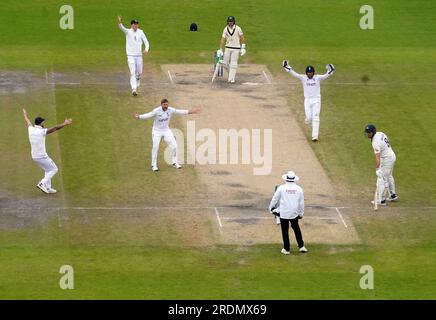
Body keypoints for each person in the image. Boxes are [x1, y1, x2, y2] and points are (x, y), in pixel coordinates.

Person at [133, 99, 202, 172]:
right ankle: (154, 165)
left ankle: (175, 162)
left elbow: (180, 111)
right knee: (155, 147)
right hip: (156, 131)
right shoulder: (156, 111)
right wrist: (139, 117)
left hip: (166, 130)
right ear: (161, 104)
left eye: (167, 104)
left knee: (175, 146)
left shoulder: (170, 110)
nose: (166, 106)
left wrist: (193, 111)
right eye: (164, 105)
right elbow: (148, 115)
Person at [282, 60, 335, 142]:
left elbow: (326, 75)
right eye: (308, 72)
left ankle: (315, 136)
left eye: (311, 72)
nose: (309, 74)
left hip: (316, 100)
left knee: (316, 117)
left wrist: (330, 69)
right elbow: (294, 74)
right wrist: (286, 66)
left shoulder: (317, 78)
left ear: (313, 72)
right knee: (309, 118)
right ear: (306, 73)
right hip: (307, 100)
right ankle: (308, 119)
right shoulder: (303, 78)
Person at [22, 108, 73, 194]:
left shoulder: (30, 129)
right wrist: (65, 123)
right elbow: (55, 128)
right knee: (54, 169)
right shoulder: (41, 131)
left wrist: (25, 114)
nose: (44, 123)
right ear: (41, 123)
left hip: (34, 157)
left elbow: (27, 121)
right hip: (42, 156)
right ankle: (42, 183)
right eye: (43, 122)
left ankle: (48, 188)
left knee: (47, 169)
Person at [269, 171, 308, 255]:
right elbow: (301, 203)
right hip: (294, 213)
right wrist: (301, 213)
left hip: (284, 213)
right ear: (294, 179)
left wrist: (270, 208)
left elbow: (275, 198)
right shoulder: (299, 189)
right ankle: (301, 246)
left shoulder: (281, 188)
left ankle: (286, 249)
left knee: (285, 230)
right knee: (296, 229)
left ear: (286, 179)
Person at [364, 124, 398, 205]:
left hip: (387, 159)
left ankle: (381, 200)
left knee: (382, 179)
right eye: (367, 133)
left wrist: (378, 169)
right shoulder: (380, 133)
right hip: (391, 156)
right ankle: (392, 195)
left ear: (373, 132)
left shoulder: (375, 142)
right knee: (389, 176)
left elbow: (377, 157)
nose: (367, 134)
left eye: (369, 133)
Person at [117, 16, 150, 96]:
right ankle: (134, 89)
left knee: (139, 72)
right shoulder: (128, 32)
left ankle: (138, 77)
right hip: (130, 55)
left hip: (139, 56)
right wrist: (119, 22)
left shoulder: (141, 32)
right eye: (134, 24)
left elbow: (146, 42)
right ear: (131, 25)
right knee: (132, 72)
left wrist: (146, 49)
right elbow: (121, 27)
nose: (135, 25)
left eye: (136, 24)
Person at [215, 16, 246, 83]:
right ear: (227, 22)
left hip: (236, 48)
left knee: (233, 63)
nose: (230, 23)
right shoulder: (225, 29)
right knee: (224, 63)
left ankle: (231, 78)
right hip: (228, 48)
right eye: (229, 22)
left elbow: (242, 37)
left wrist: (243, 47)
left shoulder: (238, 28)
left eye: (231, 22)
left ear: (234, 22)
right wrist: (220, 49)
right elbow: (223, 39)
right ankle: (231, 73)